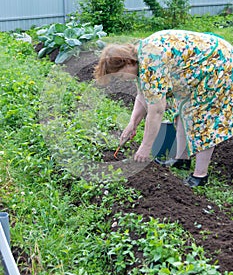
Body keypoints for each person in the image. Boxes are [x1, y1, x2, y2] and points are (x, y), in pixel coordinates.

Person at [94, 30, 233, 187]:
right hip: (197, 66)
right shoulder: (140, 59)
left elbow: (157, 111)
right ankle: (181, 160)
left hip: (218, 64)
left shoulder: (151, 62)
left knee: (203, 117)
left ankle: (200, 175)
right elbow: (142, 96)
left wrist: (145, 148)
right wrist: (132, 124)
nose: (122, 80)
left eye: (119, 76)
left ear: (127, 63)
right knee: (182, 109)